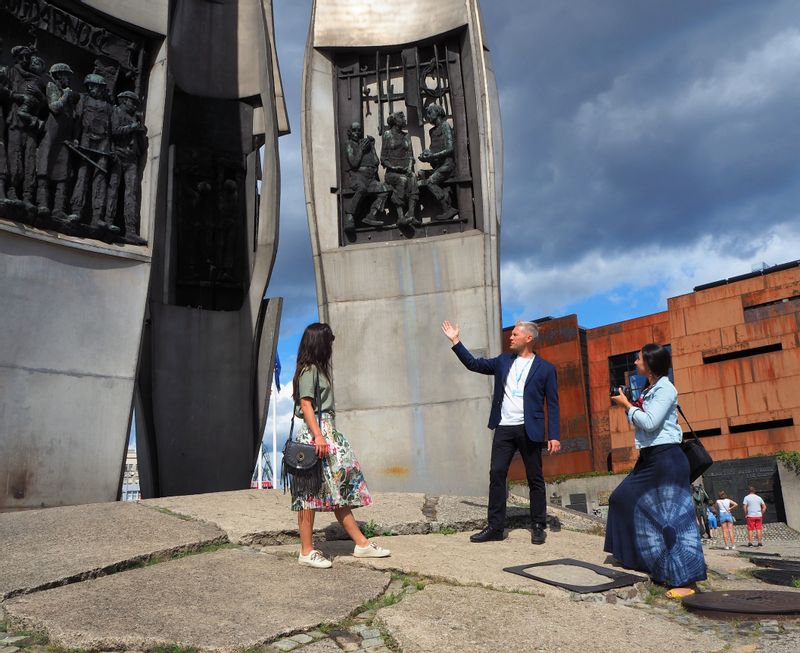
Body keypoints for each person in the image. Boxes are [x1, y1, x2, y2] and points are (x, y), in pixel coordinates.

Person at [441, 319, 561, 545]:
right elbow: (474, 364)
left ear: (529, 338)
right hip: (504, 426)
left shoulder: (546, 369)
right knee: (497, 474)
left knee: (535, 478)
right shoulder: (504, 361)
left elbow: (553, 404)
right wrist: (456, 341)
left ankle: (538, 525)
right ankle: (495, 527)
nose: (511, 337)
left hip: (530, 429)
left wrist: (554, 435)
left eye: (515, 334)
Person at [290, 323, 390, 568]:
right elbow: (305, 405)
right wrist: (319, 437)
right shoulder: (310, 369)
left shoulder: (316, 369)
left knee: (337, 490)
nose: (331, 346)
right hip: (317, 435)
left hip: (325, 432)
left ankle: (362, 544)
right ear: (319, 343)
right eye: (329, 341)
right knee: (308, 494)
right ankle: (306, 551)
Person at [606, 344, 706, 588]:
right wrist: (630, 403)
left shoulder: (666, 389)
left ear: (649, 364)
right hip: (650, 459)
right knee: (621, 498)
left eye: (638, 358)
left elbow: (650, 423)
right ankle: (639, 558)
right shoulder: (650, 388)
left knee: (672, 519)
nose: (635, 362)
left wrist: (627, 406)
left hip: (667, 458)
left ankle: (684, 581)